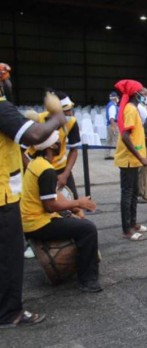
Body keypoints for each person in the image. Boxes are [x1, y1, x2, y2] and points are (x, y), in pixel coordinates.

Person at [0, 63, 66, 328]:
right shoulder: (2, 108)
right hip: (3, 197)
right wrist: (57, 117)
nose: (10, 82)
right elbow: (35, 135)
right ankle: (10, 313)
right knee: (9, 258)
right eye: (7, 77)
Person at [21, 132, 101, 293]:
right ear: (50, 146)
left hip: (32, 220)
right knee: (88, 229)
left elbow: (54, 196)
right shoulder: (46, 170)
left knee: (79, 223)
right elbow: (50, 206)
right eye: (58, 141)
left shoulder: (37, 163)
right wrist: (78, 202)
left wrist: (74, 208)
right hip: (38, 224)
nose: (61, 144)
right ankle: (87, 280)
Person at [24, 90, 81, 199]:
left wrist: (66, 174)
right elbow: (21, 151)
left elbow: (74, 150)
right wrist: (34, 171)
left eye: (70, 110)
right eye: (66, 111)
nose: (69, 114)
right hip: (38, 169)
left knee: (72, 203)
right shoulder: (37, 120)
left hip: (61, 169)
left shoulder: (72, 122)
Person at [113, 79, 147, 241]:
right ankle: (126, 229)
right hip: (129, 159)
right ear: (135, 94)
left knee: (134, 192)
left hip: (134, 159)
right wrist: (140, 157)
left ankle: (133, 223)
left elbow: (134, 134)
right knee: (127, 193)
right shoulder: (130, 109)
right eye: (142, 91)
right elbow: (126, 136)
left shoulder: (134, 108)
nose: (145, 94)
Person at [136, 87, 147, 203]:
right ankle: (145, 192)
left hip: (139, 140)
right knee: (145, 168)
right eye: (145, 94)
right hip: (144, 139)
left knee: (139, 168)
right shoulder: (140, 108)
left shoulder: (138, 107)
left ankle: (139, 190)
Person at [104, 91, 120, 160]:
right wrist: (114, 127)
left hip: (109, 125)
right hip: (113, 124)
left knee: (109, 140)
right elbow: (111, 117)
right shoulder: (113, 106)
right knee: (115, 139)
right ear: (115, 98)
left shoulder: (109, 105)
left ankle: (107, 154)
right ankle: (114, 155)